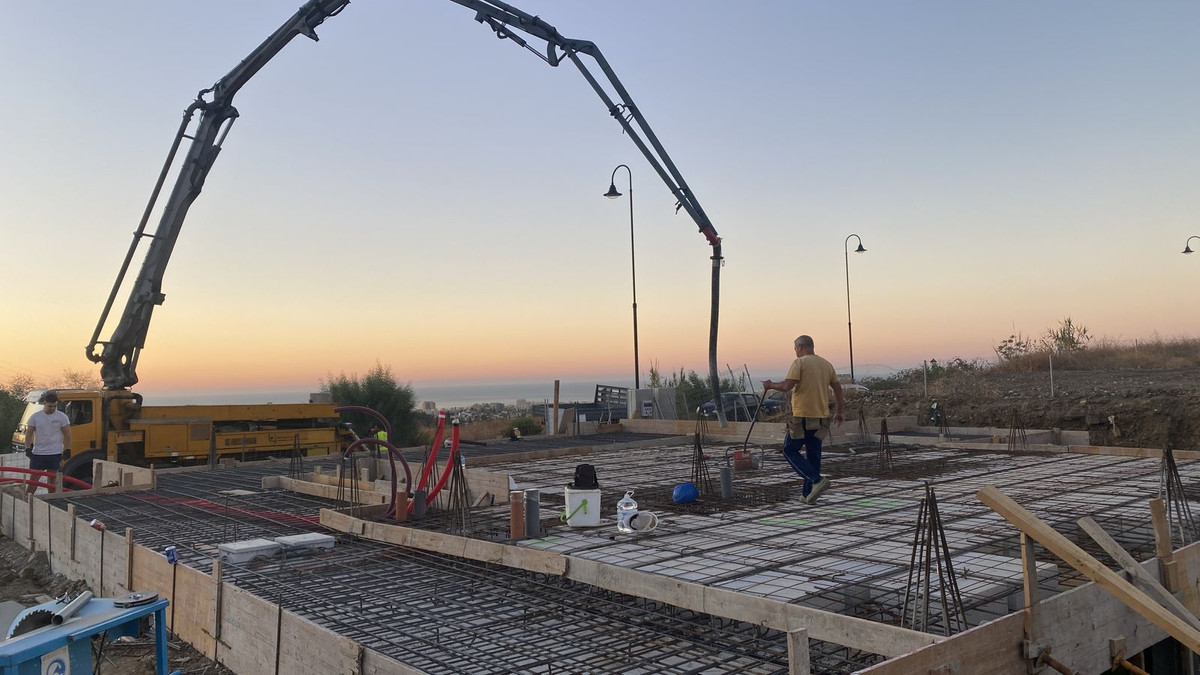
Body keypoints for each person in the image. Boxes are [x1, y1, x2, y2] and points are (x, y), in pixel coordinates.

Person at [762, 335, 845, 504]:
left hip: (802, 417)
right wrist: (839, 412)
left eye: (795, 349)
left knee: (789, 450)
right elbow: (838, 389)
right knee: (813, 456)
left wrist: (770, 385)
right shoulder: (826, 364)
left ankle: (817, 480)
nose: (795, 352)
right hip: (821, 418)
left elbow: (786, 386)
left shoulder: (799, 363)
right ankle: (808, 494)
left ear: (800, 347)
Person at [25, 391, 72, 494]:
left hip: (54, 453)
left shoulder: (62, 417)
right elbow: (29, 434)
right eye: (50, 406)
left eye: (55, 406)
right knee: (33, 480)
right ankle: (27, 499)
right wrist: (27, 448)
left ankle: (52, 501)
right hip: (38, 454)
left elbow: (67, 434)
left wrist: (68, 449)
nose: (52, 408)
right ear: (45, 403)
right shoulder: (35, 417)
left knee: (52, 481)